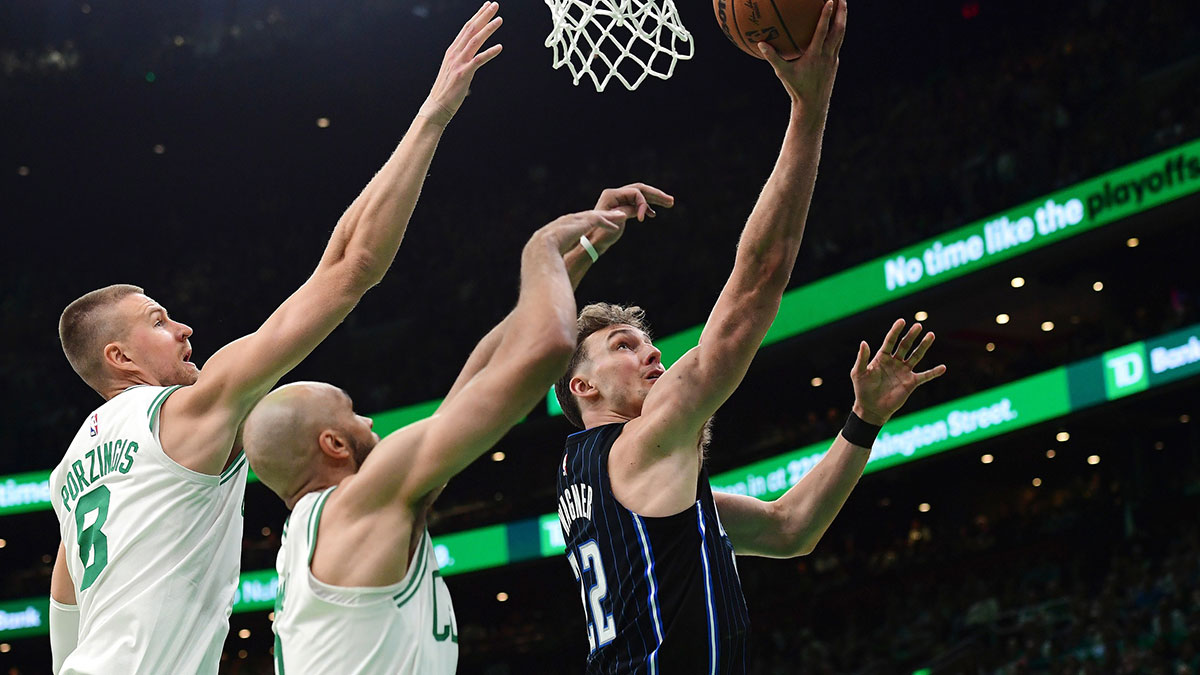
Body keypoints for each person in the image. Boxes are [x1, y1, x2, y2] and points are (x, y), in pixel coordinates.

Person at [46, 5, 504, 673]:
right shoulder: (189, 413)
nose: (182, 327)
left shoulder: (68, 473)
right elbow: (350, 270)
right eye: (156, 320)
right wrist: (432, 114)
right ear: (118, 357)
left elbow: (66, 619)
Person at [552, 2, 940, 672]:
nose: (652, 353)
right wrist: (807, 110)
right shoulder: (641, 446)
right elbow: (757, 280)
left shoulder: (605, 477)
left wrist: (863, 420)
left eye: (645, 342)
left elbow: (792, 529)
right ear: (581, 384)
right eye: (622, 344)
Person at [241, 184, 670, 674]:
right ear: (333, 444)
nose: (370, 421)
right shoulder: (364, 500)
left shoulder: (323, 530)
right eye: (353, 411)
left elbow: (472, 385)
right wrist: (541, 248)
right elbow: (545, 350)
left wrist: (584, 253)